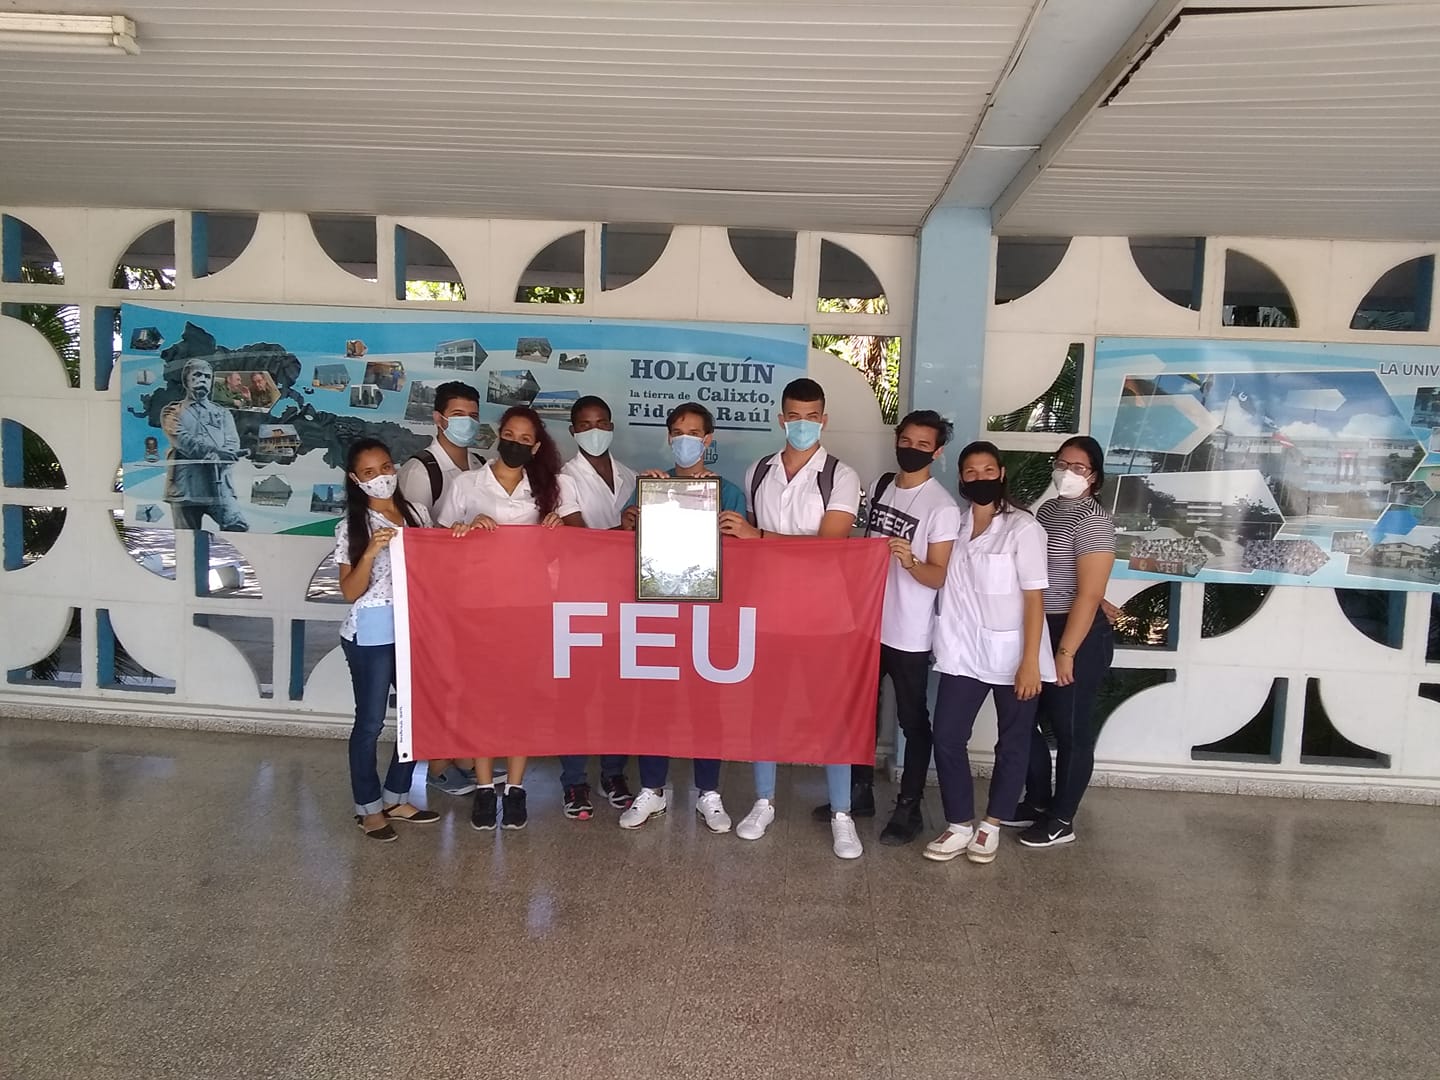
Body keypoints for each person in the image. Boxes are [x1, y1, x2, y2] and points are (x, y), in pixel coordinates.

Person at [719, 378, 865, 859]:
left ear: (824, 420)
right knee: (766, 709)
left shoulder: (840, 475)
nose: (803, 424)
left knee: (831, 713)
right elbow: (742, 544)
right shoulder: (758, 471)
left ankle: (842, 814)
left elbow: (830, 547)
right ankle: (763, 801)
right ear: (781, 419)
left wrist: (758, 537)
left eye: (812, 416)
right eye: (795, 416)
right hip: (768, 610)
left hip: (825, 614)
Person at [437, 406, 585, 831]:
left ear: (535, 447)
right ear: (498, 435)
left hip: (529, 607)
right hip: (478, 608)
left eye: (525, 439)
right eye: (509, 435)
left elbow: (577, 547)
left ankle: (516, 788)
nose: (515, 443)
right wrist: (466, 528)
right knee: (481, 699)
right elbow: (439, 540)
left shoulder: (553, 487)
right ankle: (485, 788)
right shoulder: (467, 484)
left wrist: (558, 530)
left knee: (521, 699)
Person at [818, 410, 962, 846]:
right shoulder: (881, 485)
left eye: (923, 445)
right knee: (859, 711)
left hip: (909, 632)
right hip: (867, 623)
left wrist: (911, 561)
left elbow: (939, 576)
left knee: (912, 720)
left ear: (937, 452)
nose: (912, 450)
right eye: (907, 441)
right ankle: (859, 792)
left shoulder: (942, 507)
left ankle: (909, 806)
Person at [616, 401, 749, 834]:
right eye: (677, 432)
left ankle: (708, 793)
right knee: (654, 702)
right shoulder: (650, 485)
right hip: (657, 612)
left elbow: (743, 556)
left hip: (710, 615)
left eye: (693, 433)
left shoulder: (728, 492)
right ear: (668, 438)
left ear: (708, 440)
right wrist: (631, 516)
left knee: (706, 704)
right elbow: (623, 544)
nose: (684, 440)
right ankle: (651, 789)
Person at [924, 441, 1053, 865]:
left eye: (988, 470)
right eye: (971, 471)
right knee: (947, 736)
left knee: (1012, 742)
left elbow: (1034, 598)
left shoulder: (1023, 528)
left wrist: (1030, 661)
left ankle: (992, 824)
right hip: (962, 652)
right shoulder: (955, 526)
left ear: (1001, 474)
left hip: (1014, 654)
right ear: (962, 478)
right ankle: (959, 823)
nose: (980, 478)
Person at [1008, 435, 1116, 849]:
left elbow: (1088, 594)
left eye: (1078, 467)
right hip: (1042, 625)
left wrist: (1066, 652)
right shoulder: (1050, 509)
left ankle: (1062, 818)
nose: (1067, 473)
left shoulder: (1094, 521)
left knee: (1071, 730)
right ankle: (1037, 800)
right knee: (1022, 717)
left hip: (1077, 635)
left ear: (1095, 477)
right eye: (1062, 464)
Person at [334, 437, 440, 842]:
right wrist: (368, 553)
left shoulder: (417, 513)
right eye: (369, 472)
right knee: (371, 721)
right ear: (355, 479)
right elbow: (349, 591)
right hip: (371, 631)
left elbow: (436, 564)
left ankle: (396, 796)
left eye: (385, 467)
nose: (380, 477)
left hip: (413, 628)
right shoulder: (352, 526)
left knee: (418, 716)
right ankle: (368, 807)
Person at [397, 380, 486, 798]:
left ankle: (464, 759)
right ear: (438, 418)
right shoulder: (421, 470)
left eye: (473, 415)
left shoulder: (481, 466)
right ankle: (438, 766)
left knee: (470, 681)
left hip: (475, 594)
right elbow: (417, 538)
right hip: (436, 596)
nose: (466, 422)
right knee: (443, 682)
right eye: (457, 415)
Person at [556, 395, 638, 817]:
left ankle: (613, 773)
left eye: (602, 422)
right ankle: (574, 782)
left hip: (625, 598)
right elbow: (577, 539)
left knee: (618, 692)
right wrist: (621, 530)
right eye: (586, 424)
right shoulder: (564, 478)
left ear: (612, 426)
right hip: (581, 599)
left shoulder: (630, 476)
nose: (595, 430)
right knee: (579, 694)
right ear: (573, 431)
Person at [165, 358, 249, 531]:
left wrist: (226, 455)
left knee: (237, 526)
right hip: (186, 487)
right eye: (197, 375)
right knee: (187, 538)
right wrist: (215, 452)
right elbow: (182, 440)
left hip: (219, 486)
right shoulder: (173, 412)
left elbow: (232, 442)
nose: (203, 379)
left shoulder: (223, 413)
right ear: (186, 380)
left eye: (207, 376)